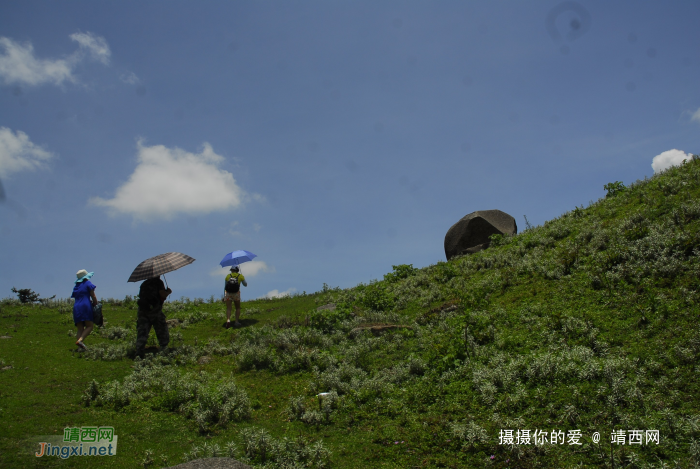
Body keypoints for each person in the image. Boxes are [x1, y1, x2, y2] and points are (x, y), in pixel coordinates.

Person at [135, 276, 172, 358]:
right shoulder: (158, 282)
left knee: (142, 330)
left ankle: (139, 350)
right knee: (161, 327)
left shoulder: (144, 283)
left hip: (142, 309)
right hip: (154, 309)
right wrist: (168, 292)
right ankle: (163, 347)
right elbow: (162, 294)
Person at [72, 269, 97, 350]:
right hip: (85, 306)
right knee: (90, 326)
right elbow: (93, 295)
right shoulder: (87, 283)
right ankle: (80, 341)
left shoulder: (76, 286)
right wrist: (95, 303)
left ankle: (80, 347)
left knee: (80, 328)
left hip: (76, 307)